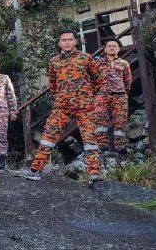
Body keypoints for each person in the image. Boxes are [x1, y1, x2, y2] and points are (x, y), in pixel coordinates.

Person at [13, 31, 102, 184]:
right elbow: (53, 86)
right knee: (48, 136)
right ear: (59, 43)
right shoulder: (54, 62)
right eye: (64, 40)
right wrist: (63, 97)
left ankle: (94, 175)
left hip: (85, 107)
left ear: (75, 42)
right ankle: (35, 170)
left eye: (70, 40)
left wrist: (86, 96)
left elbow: (97, 80)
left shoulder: (86, 58)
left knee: (90, 139)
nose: (67, 42)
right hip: (62, 107)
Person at [93, 40, 132, 152]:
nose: (112, 48)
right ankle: (102, 145)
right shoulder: (98, 63)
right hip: (101, 95)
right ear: (105, 49)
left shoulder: (124, 63)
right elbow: (92, 79)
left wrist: (123, 91)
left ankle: (119, 146)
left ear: (118, 49)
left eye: (114, 46)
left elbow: (127, 81)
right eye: (109, 46)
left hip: (119, 95)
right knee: (100, 120)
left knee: (120, 120)